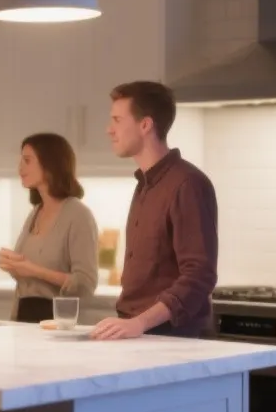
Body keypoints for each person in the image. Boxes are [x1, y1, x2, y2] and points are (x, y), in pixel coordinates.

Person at [90, 81, 218, 341]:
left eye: (117, 120)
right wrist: (132, 323)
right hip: (142, 333)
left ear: (145, 125)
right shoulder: (145, 185)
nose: (109, 129)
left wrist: (139, 322)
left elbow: (199, 275)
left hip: (175, 339)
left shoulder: (187, 184)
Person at [0, 133, 99, 324]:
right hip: (24, 319)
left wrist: (34, 270)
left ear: (50, 164)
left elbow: (86, 284)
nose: (20, 168)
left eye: (27, 161)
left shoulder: (78, 215)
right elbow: (26, 276)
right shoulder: (36, 212)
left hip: (60, 324)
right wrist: (13, 264)